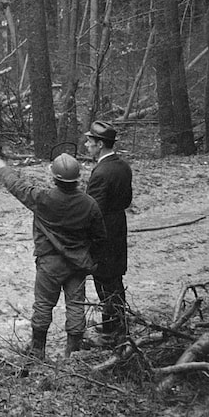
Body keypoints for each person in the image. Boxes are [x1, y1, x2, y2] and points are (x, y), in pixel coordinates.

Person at [0, 154, 107, 359]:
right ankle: (73, 352)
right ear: (77, 179)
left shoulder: (42, 198)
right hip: (78, 264)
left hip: (49, 264)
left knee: (43, 304)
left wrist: (3, 167)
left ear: (54, 178)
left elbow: (17, 187)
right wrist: (91, 259)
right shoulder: (90, 204)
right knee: (76, 305)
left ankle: (37, 350)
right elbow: (100, 237)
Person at [84, 121, 133, 345]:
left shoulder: (101, 172)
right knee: (115, 279)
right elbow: (127, 200)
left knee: (104, 282)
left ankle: (112, 333)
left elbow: (92, 210)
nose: (86, 145)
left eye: (90, 142)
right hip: (118, 228)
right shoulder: (123, 166)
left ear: (101, 144)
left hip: (103, 234)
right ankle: (117, 326)